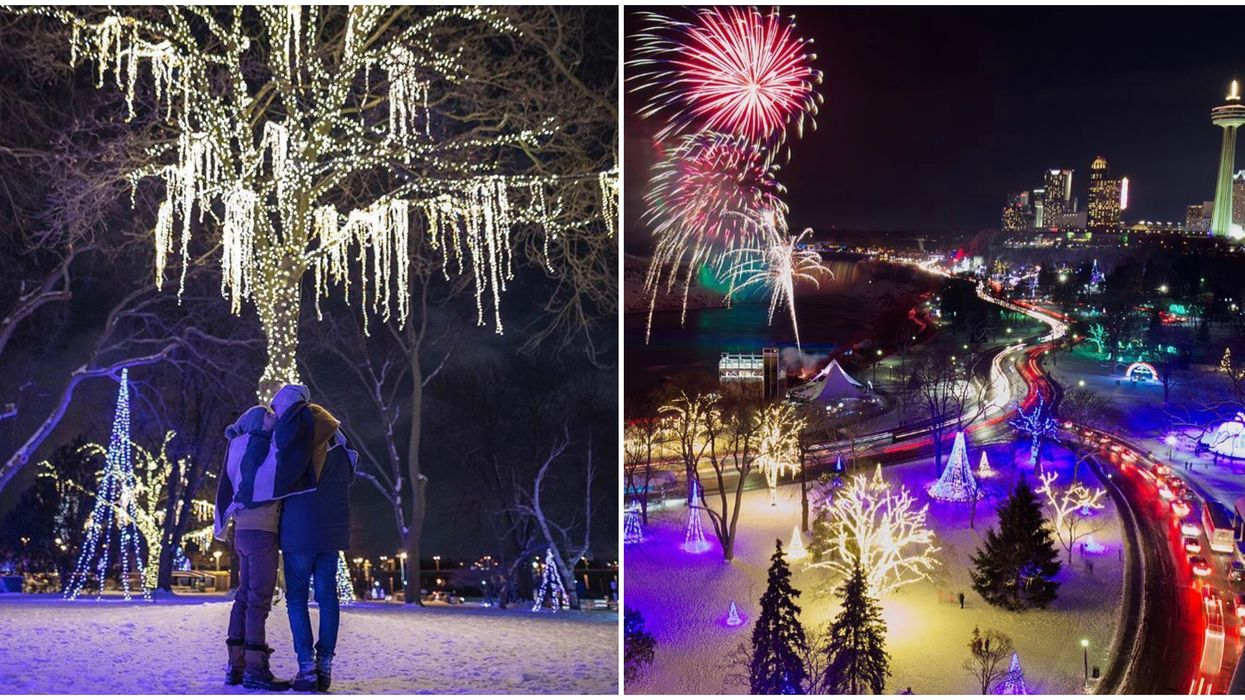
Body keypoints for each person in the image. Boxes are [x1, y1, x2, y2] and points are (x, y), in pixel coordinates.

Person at [270, 383, 357, 693]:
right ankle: (325, 666)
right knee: (327, 596)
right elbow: (351, 472)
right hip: (332, 531)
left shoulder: (295, 431)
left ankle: (306, 668)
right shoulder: (337, 433)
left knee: (296, 598)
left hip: (298, 530)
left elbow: (279, 476)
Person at [213, 405, 290, 691]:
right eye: (269, 415)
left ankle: (236, 664)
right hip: (261, 532)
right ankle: (256, 668)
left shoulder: (236, 447)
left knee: (245, 597)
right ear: (258, 422)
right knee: (258, 599)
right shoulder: (257, 445)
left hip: (243, 531)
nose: (274, 417)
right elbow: (259, 481)